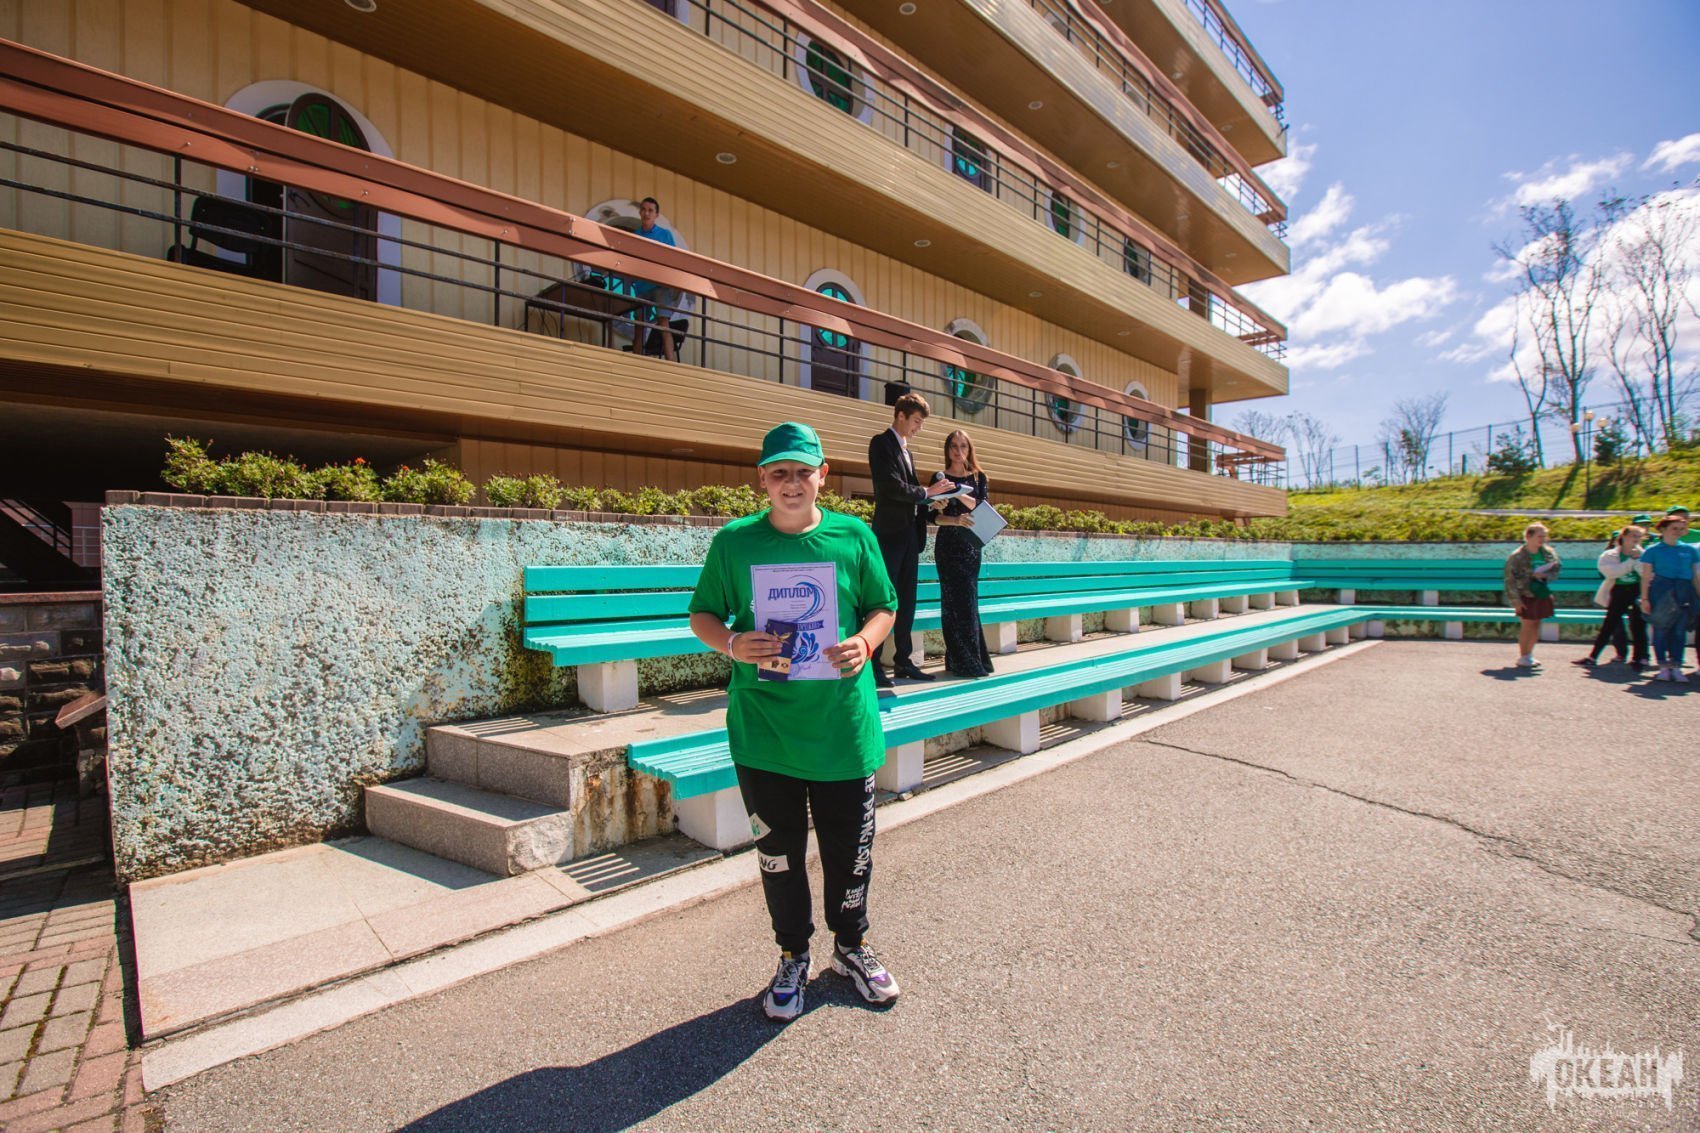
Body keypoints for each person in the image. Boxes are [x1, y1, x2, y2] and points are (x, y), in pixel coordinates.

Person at [688, 421, 903, 1021]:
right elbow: (703, 615)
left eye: (803, 472)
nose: (791, 483)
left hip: (842, 729)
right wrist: (733, 643)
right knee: (778, 857)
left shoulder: (853, 536)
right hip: (765, 733)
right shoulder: (734, 542)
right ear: (762, 479)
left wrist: (865, 642)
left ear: (822, 476)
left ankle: (851, 945)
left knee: (849, 853)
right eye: (779, 472)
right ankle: (792, 955)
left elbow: (884, 605)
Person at [868, 392, 956, 687]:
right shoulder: (881, 443)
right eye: (916, 421)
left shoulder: (907, 451)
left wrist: (931, 503)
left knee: (907, 601)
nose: (919, 427)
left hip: (909, 536)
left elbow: (910, 496)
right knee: (884, 599)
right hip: (889, 536)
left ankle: (903, 661)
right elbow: (890, 487)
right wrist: (926, 492)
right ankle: (873, 665)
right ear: (901, 416)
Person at [929, 430, 994, 678]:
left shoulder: (979, 477)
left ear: (969, 449)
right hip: (947, 546)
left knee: (968, 602)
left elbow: (983, 508)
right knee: (951, 603)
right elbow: (933, 517)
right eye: (954, 446)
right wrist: (952, 517)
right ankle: (959, 660)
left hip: (970, 547)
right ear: (947, 449)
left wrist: (958, 492)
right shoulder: (939, 478)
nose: (958, 451)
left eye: (963, 446)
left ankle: (973, 659)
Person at [1638, 512, 1700, 683]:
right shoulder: (1653, 550)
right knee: (1660, 628)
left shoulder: (1689, 550)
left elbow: (1694, 575)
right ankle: (1663, 667)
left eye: (1682, 528)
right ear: (1663, 529)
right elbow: (1646, 576)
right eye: (1674, 528)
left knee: (1679, 630)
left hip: (1684, 590)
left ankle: (1676, 666)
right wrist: (1645, 598)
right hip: (1661, 590)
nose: (1678, 532)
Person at [1577, 526, 1647, 669]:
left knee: (1638, 625)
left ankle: (1639, 658)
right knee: (1610, 623)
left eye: (1639, 537)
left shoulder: (1644, 555)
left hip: (1637, 590)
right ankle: (1593, 656)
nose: (1636, 539)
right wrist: (1631, 561)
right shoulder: (1609, 555)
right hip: (1618, 590)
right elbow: (1612, 572)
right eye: (1633, 536)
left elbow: (1646, 573)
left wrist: (1638, 559)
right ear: (1624, 536)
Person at [1503, 523, 1560, 670]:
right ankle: (1523, 655)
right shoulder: (1517, 556)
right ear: (1528, 536)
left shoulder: (1548, 553)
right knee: (1527, 624)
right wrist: (1515, 601)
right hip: (1525, 593)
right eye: (1539, 536)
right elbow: (1510, 579)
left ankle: (1529, 654)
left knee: (1537, 623)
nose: (1542, 539)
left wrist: (1545, 575)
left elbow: (1556, 569)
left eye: (1544, 536)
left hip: (1540, 591)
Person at [630, 196, 680, 363]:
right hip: (641, 286)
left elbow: (673, 259)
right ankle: (636, 362)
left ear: (656, 215)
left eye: (650, 210)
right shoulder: (635, 236)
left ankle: (671, 364)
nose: (647, 213)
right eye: (644, 210)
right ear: (639, 212)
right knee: (639, 324)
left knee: (663, 322)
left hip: (660, 285)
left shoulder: (665, 235)